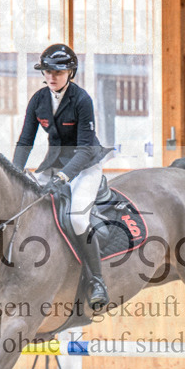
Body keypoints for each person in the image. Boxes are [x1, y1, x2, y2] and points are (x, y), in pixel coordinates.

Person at [13, 43, 110, 311]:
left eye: (58, 71)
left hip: (85, 165)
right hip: (54, 165)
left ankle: (97, 281)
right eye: (47, 71)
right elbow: (25, 141)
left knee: (76, 217)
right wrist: (14, 170)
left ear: (71, 72)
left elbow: (85, 147)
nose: (52, 77)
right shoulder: (39, 100)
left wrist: (65, 177)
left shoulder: (81, 100)